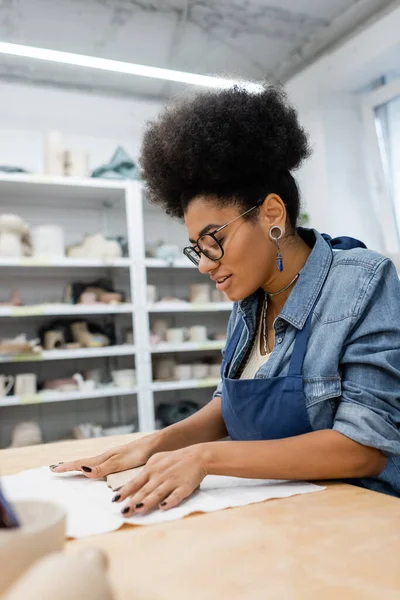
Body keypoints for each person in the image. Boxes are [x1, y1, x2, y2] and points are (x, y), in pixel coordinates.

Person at [51, 85, 400, 513]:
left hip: (358, 518)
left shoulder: (363, 281)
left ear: (272, 215)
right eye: (197, 248)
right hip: (277, 510)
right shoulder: (250, 298)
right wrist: (154, 445)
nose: (203, 263)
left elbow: (365, 446)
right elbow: (228, 403)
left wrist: (206, 457)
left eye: (212, 240)